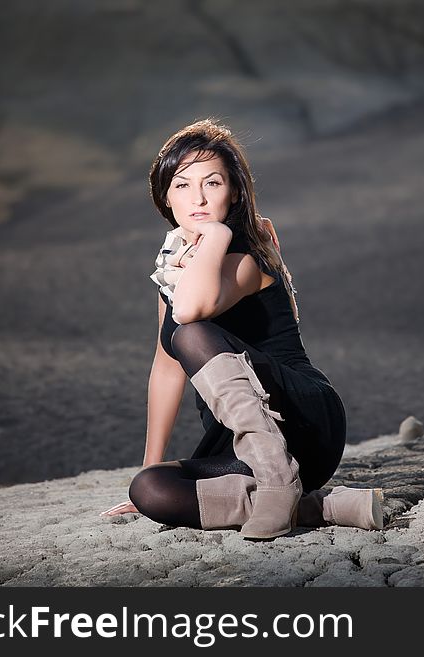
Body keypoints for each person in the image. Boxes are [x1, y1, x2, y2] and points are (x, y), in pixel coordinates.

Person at [101, 118, 383, 539]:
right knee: (150, 491)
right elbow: (166, 369)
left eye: (212, 183)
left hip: (303, 420)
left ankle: (280, 482)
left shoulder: (244, 258)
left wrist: (214, 235)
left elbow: (191, 313)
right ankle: (320, 506)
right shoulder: (174, 275)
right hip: (238, 441)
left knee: (191, 334)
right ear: (165, 197)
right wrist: (150, 463)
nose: (197, 197)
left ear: (233, 191)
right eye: (182, 185)